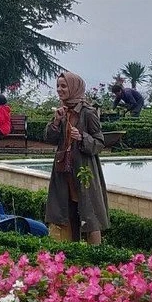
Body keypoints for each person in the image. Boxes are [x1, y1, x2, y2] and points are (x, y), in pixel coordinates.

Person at [44, 71, 111, 245]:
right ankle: (71, 255)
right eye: (58, 86)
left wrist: (82, 137)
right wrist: (56, 122)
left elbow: (99, 143)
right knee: (66, 210)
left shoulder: (88, 113)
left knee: (90, 213)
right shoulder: (61, 111)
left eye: (63, 86)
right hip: (63, 170)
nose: (59, 89)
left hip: (84, 171)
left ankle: (95, 255)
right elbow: (50, 139)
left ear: (74, 88)